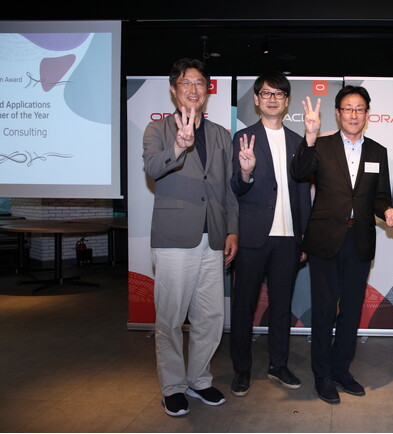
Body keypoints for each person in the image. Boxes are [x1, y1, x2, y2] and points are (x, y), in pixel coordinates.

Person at [290, 85, 393, 404]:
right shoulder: (321, 145)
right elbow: (299, 173)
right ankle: (322, 375)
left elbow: (380, 197)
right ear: (338, 113)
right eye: (348, 108)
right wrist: (309, 136)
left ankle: (341, 370)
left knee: (351, 311)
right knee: (325, 310)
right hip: (326, 239)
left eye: (359, 109)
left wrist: (388, 211)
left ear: (367, 114)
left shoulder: (378, 151)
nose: (354, 114)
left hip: (360, 240)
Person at [142, 58, 238, 417]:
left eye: (200, 83)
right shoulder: (158, 129)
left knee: (210, 317)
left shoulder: (220, 135)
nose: (194, 89)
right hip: (174, 238)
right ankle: (172, 387)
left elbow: (228, 189)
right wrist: (179, 147)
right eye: (186, 83)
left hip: (213, 238)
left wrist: (232, 230)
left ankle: (199, 379)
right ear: (173, 90)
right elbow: (153, 168)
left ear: (208, 90)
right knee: (170, 319)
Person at [229, 71, 311, 396]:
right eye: (266, 93)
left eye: (278, 93)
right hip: (252, 237)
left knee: (281, 307)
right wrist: (245, 172)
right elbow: (234, 189)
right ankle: (241, 369)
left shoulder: (298, 142)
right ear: (256, 99)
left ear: (286, 101)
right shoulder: (243, 138)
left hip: (288, 239)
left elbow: (303, 193)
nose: (272, 99)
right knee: (243, 306)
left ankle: (278, 365)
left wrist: (304, 237)